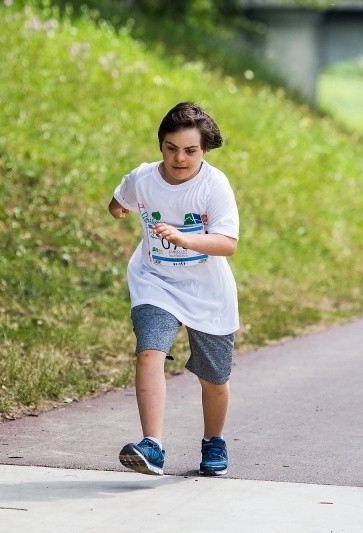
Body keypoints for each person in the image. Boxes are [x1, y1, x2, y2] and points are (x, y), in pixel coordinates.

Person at [108, 102, 239, 477]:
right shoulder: (144, 178)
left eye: (190, 150)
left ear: (205, 150)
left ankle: (213, 441)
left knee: (214, 379)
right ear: (160, 145)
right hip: (155, 282)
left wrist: (184, 238)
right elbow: (120, 202)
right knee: (149, 352)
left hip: (207, 291)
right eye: (170, 148)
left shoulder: (214, 185)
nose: (179, 158)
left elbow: (228, 243)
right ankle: (153, 446)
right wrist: (118, 208)